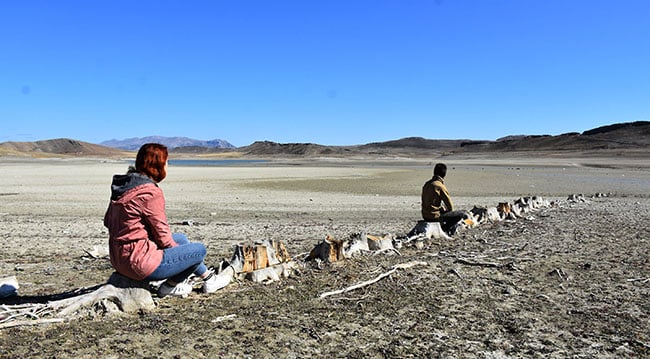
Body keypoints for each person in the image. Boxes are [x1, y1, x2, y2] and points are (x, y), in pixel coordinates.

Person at [104, 143, 229, 297]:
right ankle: (169, 286)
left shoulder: (124, 187)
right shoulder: (149, 192)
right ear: (156, 165)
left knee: (182, 240)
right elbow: (163, 237)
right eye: (166, 162)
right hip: (138, 264)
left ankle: (209, 279)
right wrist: (181, 260)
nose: (168, 166)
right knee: (198, 251)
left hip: (118, 259)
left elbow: (108, 222)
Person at [421, 163, 466, 234]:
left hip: (425, 215)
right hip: (434, 216)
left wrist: (439, 208)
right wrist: (449, 212)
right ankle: (443, 230)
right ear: (444, 174)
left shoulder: (427, 184)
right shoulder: (440, 186)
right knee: (461, 214)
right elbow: (450, 205)